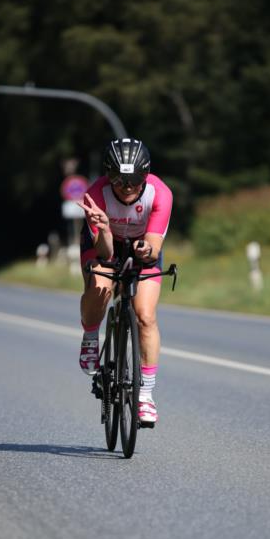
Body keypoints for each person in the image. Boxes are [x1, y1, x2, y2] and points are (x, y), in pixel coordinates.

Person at [77, 138, 173, 425]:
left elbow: (154, 247)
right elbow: (105, 253)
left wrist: (146, 250)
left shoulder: (160, 194)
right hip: (104, 243)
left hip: (142, 244)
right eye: (120, 182)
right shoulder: (95, 194)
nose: (127, 188)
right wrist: (104, 226)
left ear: (145, 176)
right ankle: (91, 336)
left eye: (134, 182)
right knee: (100, 286)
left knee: (145, 316)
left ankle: (145, 395)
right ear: (109, 176)